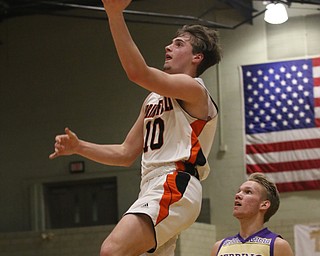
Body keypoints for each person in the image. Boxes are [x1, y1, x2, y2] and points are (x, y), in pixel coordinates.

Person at [49, 0, 222, 255]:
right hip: (150, 185)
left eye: (179, 43)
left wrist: (114, 14)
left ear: (197, 57)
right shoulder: (153, 99)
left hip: (175, 181)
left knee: (112, 250)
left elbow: (137, 72)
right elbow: (124, 153)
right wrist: (79, 147)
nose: (168, 46)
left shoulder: (195, 89)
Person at [210, 173, 294, 256]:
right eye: (239, 191)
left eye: (248, 192)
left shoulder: (278, 245)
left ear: (264, 205)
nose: (238, 195)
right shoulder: (219, 247)